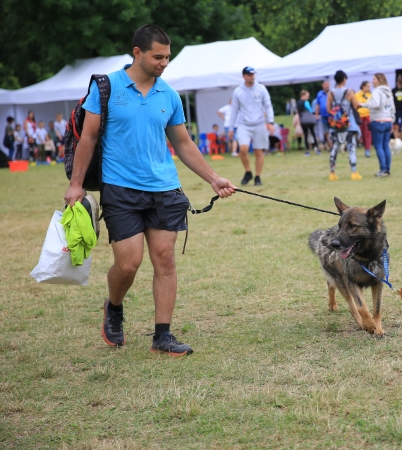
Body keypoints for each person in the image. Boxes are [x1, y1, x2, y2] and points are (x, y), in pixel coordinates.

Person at [63, 24, 237, 356]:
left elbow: (183, 143)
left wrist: (213, 178)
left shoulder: (167, 95)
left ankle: (163, 336)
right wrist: (75, 185)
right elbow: (88, 137)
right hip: (121, 189)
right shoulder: (108, 88)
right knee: (128, 264)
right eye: (158, 57)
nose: (164, 63)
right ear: (138, 53)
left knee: (165, 260)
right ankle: (114, 307)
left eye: (168, 57)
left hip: (165, 188)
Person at [228, 67, 274, 186]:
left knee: (259, 151)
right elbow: (234, 110)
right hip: (244, 124)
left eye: (253, 74)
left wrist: (271, 122)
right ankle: (248, 171)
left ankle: (257, 176)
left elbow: (268, 105)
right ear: (244, 76)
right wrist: (231, 128)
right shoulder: (238, 91)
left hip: (259, 123)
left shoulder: (261, 88)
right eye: (249, 74)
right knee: (243, 149)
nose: (252, 76)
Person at [326, 70, 362, 181]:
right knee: (351, 147)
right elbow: (355, 106)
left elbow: (328, 109)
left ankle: (332, 173)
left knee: (334, 148)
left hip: (336, 125)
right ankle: (354, 172)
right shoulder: (349, 92)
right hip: (349, 123)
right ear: (344, 79)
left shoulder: (330, 93)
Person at [359, 73, 395, 177]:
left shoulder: (377, 91)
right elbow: (392, 108)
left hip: (378, 120)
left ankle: (383, 169)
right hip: (388, 120)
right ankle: (387, 169)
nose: (372, 81)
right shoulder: (389, 92)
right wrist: (392, 120)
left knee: (379, 146)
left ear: (379, 80)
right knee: (385, 146)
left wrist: (362, 105)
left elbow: (375, 104)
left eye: (374, 79)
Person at [298, 89, 320, 156]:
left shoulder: (298, 103)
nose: (308, 97)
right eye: (307, 95)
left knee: (305, 135)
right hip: (309, 120)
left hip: (302, 120)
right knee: (313, 133)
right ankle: (316, 148)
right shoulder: (306, 102)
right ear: (303, 95)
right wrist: (315, 115)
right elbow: (310, 110)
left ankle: (307, 150)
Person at [355, 81, 373, 156]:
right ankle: (364, 146)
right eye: (367, 86)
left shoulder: (370, 95)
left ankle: (368, 149)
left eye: (369, 86)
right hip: (360, 116)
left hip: (368, 116)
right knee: (361, 133)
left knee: (367, 133)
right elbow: (355, 105)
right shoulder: (357, 95)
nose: (369, 88)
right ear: (363, 86)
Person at [315, 80, 331, 147]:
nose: (327, 86)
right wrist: (316, 114)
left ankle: (333, 144)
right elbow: (317, 104)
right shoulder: (319, 94)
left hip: (331, 115)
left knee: (332, 130)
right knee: (326, 131)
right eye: (326, 84)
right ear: (323, 85)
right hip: (323, 115)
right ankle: (330, 145)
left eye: (328, 84)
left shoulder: (331, 93)